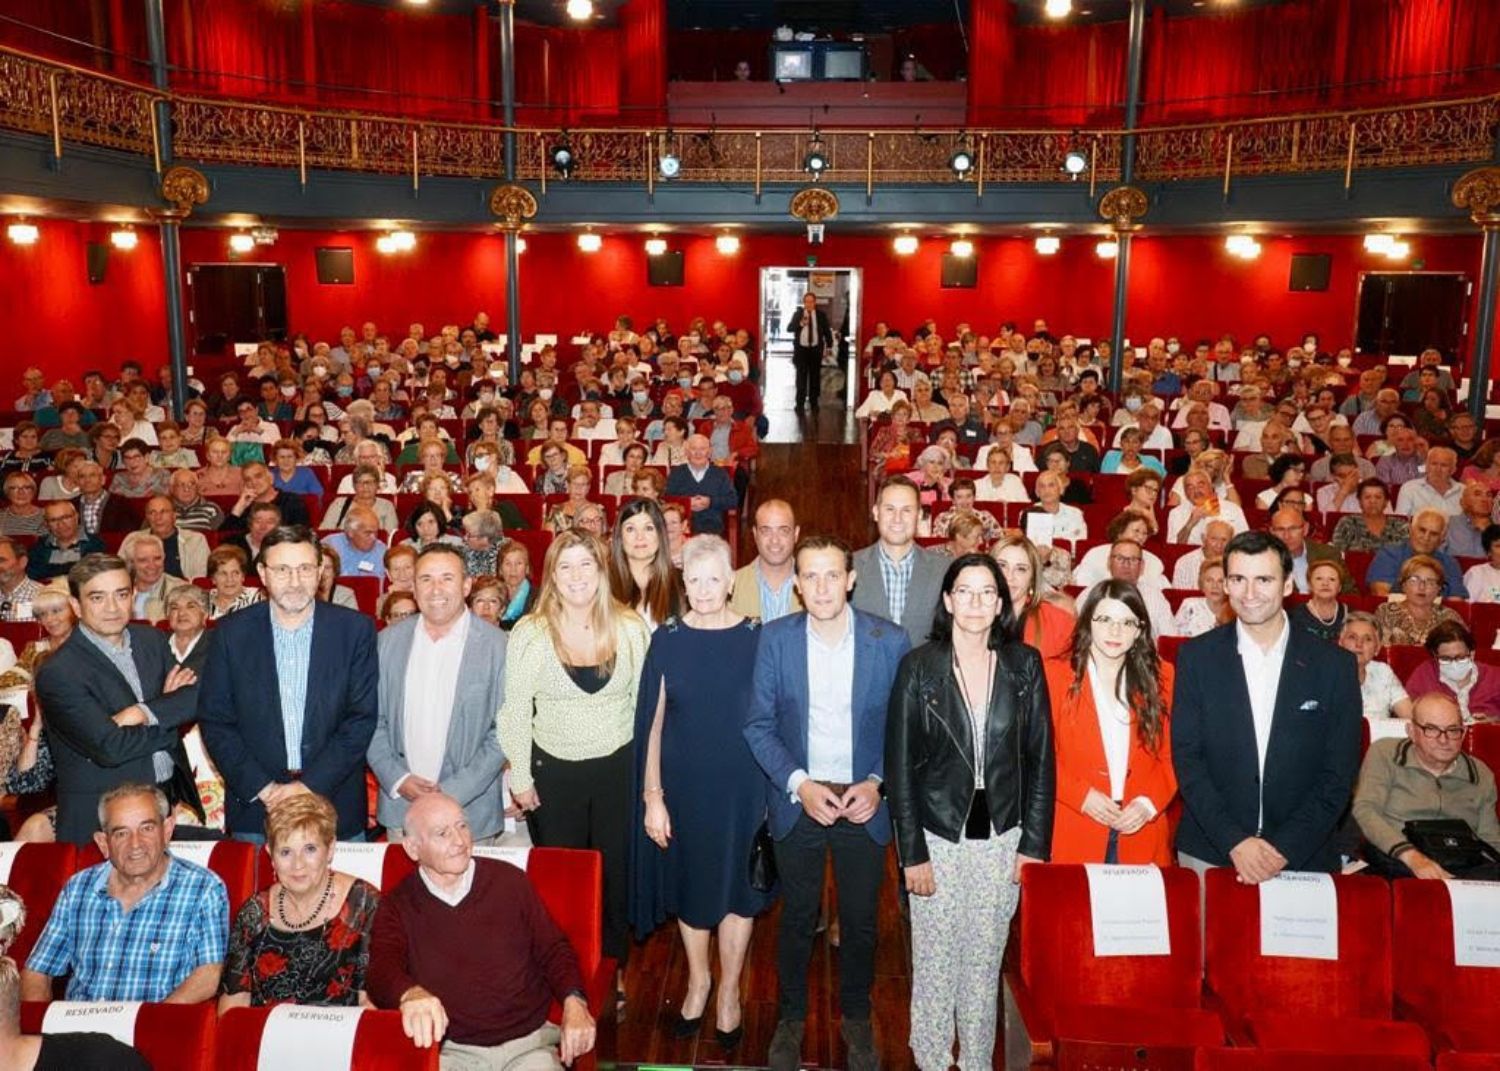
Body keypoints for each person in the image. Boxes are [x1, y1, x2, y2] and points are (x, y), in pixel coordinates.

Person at [743, 535, 910, 1071]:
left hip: (865, 798)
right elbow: (758, 725)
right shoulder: (775, 639)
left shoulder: (891, 640)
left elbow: (905, 731)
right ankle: (791, 1017)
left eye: (831, 575)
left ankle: (857, 1017)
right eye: (810, 576)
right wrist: (799, 783)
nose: (821, 587)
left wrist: (878, 782)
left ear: (851, 579)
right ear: (796, 583)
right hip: (802, 796)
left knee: (861, 920)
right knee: (797, 916)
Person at [885, 553, 1053, 1071]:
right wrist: (912, 853)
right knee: (935, 959)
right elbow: (900, 768)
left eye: (988, 593)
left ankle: (977, 1060)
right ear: (948, 600)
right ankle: (933, 1058)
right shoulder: (919, 667)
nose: (976, 602)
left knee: (983, 961)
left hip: (1004, 837)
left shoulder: (1025, 665)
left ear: (1001, 603)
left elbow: (1043, 761)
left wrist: (1033, 847)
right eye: (966, 590)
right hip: (937, 836)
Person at [632, 535, 768, 1051]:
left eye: (714, 578)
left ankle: (730, 989)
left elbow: (774, 716)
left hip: (744, 788)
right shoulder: (667, 639)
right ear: (682, 583)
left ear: (732, 580)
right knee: (691, 887)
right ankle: (698, 981)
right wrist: (653, 796)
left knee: (738, 889)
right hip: (683, 789)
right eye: (694, 579)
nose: (704, 589)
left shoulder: (759, 636)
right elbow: (652, 724)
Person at [498, 530, 651, 976]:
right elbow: (514, 711)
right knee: (562, 882)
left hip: (618, 770)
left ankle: (611, 970)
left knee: (614, 878)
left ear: (603, 570)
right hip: (553, 773)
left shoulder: (629, 627)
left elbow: (645, 709)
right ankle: (566, 975)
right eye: (565, 566)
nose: (577, 575)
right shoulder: (530, 632)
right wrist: (521, 779)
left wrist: (650, 781)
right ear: (550, 576)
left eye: (587, 564)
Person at [1171, 531, 1362, 882]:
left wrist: (1283, 848)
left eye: (1263, 579)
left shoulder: (1334, 666)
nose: (1250, 593)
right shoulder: (1196, 657)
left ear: (1288, 584)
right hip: (1212, 851)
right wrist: (1234, 841)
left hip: (1304, 854)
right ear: (1226, 585)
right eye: (1238, 579)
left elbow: (1339, 773)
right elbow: (1188, 759)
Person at [367, 792, 596, 1068]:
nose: (459, 841)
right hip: (451, 1053)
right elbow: (381, 971)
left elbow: (553, 949)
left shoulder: (508, 881)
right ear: (413, 848)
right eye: (442, 833)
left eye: (462, 826)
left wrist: (575, 1002)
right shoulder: (397, 906)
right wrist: (409, 993)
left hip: (528, 1045)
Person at [198, 525, 378, 842]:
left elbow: (360, 718)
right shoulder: (229, 634)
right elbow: (216, 722)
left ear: (321, 571)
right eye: (282, 569)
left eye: (305, 568)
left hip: (335, 803)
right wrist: (265, 790)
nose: (295, 582)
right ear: (263, 573)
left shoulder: (355, 630)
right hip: (256, 808)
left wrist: (309, 788)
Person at [33, 555, 202, 843]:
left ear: (133, 595)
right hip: (102, 821)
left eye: (121, 594)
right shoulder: (58, 672)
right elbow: (110, 747)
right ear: (76, 605)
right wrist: (166, 713)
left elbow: (195, 696)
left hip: (164, 803)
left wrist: (141, 712)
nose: (112, 608)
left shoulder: (152, 639)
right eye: (98, 597)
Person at [22, 782, 228, 1001]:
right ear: (103, 843)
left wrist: (147, 1024)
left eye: (147, 828)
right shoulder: (78, 889)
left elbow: (208, 976)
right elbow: (37, 971)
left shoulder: (203, 889)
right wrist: (42, 1027)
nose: (136, 844)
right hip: (76, 1028)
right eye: (121, 833)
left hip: (151, 1026)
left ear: (167, 830)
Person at [369, 545, 509, 841]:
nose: (436, 589)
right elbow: (369, 719)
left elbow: (506, 731)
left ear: (467, 585)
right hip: (402, 809)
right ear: (414, 586)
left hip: (470, 814)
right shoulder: (386, 642)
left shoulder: (500, 647)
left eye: (447, 578)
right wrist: (398, 778)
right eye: (426, 579)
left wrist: (453, 791)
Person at [1046, 580, 1174, 865]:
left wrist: (1147, 804)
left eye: (1127, 622)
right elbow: (1038, 755)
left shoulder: (1164, 678)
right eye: (1105, 619)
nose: (1115, 631)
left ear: (1139, 630)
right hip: (1074, 826)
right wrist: (1081, 796)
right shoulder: (1054, 675)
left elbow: (1174, 754)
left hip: (1141, 830)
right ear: (1087, 621)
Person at [219, 792, 381, 1010]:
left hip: (338, 1038)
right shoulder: (254, 912)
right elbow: (233, 1005)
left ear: (330, 849)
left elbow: (370, 1002)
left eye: (310, 849)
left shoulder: (364, 903)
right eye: (285, 852)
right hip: (266, 1039)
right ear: (270, 855)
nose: (298, 865)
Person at [1353, 692, 1500, 879]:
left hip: (1462, 863)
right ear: (1411, 732)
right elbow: (1365, 810)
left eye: (1453, 730)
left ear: (1463, 733)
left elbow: (1490, 840)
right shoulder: (1385, 754)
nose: (1444, 740)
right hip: (1399, 858)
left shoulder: (1481, 773)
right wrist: (1413, 858)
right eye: (1431, 729)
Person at [851, 477, 946, 643]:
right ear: (875, 512)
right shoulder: (849, 566)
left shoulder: (944, 569)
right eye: (890, 509)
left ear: (919, 515)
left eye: (907, 510)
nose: (897, 518)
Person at [992, 535, 1074, 663]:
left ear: (1032, 578)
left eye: (1021, 569)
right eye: (1002, 566)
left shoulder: (1059, 624)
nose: (1009, 576)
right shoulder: (966, 617)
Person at [1402, 620, 1500, 723]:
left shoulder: (1495, 677)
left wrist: (1494, 721)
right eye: (1445, 659)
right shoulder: (1424, 674)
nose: (1454, 663)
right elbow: (1408, 714)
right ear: (1435, 656)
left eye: (1460, 657)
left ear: (1472, 654)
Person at [609, 499, 679, 631]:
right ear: (620, 537)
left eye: (648, 528)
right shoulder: (602, 583)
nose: (640, 537)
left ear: (660, 534)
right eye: (630, 529)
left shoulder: (680, 583)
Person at [729, 499, 803, 622]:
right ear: (755, 534)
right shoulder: (732, 585)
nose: (774, 540)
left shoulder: (815, 586)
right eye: (766, 531)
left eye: (783, 531)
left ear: (796, 534)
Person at [1367, 510, 1465, 596]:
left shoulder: (1450, 564)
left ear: (1442, 539)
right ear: (1410, 529)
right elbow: (1381, 594)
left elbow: (1455, 603)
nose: (1426, 538)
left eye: (1434, 534)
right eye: (1422, 530)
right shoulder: (1389, 555)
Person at [1374, 554, 1464, 646]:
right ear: (1403, 585)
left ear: (1439, 588)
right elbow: (1379, 648)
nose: (1422, 587)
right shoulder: (1386, 612)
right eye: (1414, 580)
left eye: (1430, 582)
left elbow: (1463, 651)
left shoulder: (1450, 617)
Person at [1338, 612, 1413, 722]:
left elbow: (1410, 716)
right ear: (1340, 643)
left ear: (1377, 648)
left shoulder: (1383, 672)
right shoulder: (1324, 674)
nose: (1359, 644)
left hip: (1381, 738)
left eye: (1368, 639)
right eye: (1352, 637)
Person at [665, 435, 737, 535]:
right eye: (693, 449)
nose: (698, 453)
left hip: (711, 528)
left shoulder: (720, 474)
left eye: (702, 449)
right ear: (686, 452)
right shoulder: (676, 473)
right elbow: (667, 499)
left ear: (709, 452)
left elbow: (732, 500)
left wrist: (710, 502)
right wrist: (687, 503)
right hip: (681, 528)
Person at [26, 499, 105, 581]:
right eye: (53, 520)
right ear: (46, 524)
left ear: (76, 517)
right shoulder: (39, 546)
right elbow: (32, 574)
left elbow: (91, 572)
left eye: (66, 517)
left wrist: (49, 570)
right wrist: (72, 567)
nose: (61, 524)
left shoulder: (95, 543)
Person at [1330, 478, 1408, 554]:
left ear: (1386, 502)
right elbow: (1336, 556)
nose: (1372, 501)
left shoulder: (1400, 525)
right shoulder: (1347, 523)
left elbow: (1408, 557)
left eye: (1378, 497)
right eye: (1367, 497)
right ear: (1360, 501)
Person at [785, 292, 831, 413]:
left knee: (815, 378)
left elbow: (827, 331)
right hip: (801, 351)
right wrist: (800, 323)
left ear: (815, 303)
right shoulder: (798, 314)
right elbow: (789, 328)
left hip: (816, 350)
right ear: (804, 303)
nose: (809, 304)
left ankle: (814, 403)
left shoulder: (821, 315)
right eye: (807, 302)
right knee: (801, 378)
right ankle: (799, 404)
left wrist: (829, 346)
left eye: (811, 301)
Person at [1287, 559, 1348, 642]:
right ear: (1310, 585)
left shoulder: (1349, 614)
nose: (1325, 583)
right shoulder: (1295, 616)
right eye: (1319, 579)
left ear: (1339, 587)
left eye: (1332, 579)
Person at [1174, 558, 1232, 638]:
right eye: (1209, 580)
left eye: (1220, 581)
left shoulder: (1235, 610)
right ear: (1202, 584)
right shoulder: (1190, 606)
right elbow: (1174, 640)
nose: (1215, 586)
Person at [206, 544, 263, 619]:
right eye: (223, 574)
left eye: (235, 573)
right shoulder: (202, 602)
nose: (229, 579)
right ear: (213, 578)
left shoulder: (258, 600)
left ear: (243, 576)